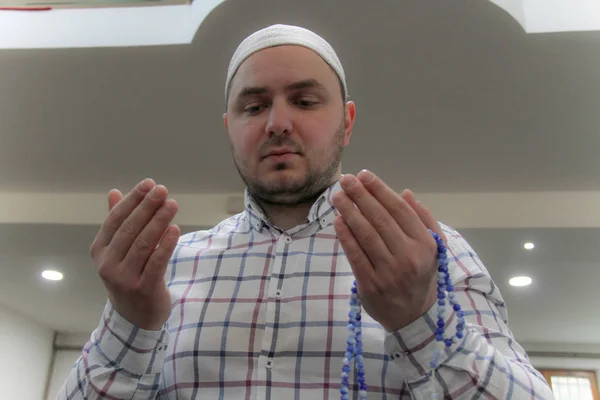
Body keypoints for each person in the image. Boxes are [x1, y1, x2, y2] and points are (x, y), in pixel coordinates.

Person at [58, 24, 554, 399]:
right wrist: (130, 323)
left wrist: (420, 321)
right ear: (229, 127)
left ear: (348, 121)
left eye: (304, 100)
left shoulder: (427, 253)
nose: (277, 123)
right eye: (254, 107)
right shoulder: (165, 268)